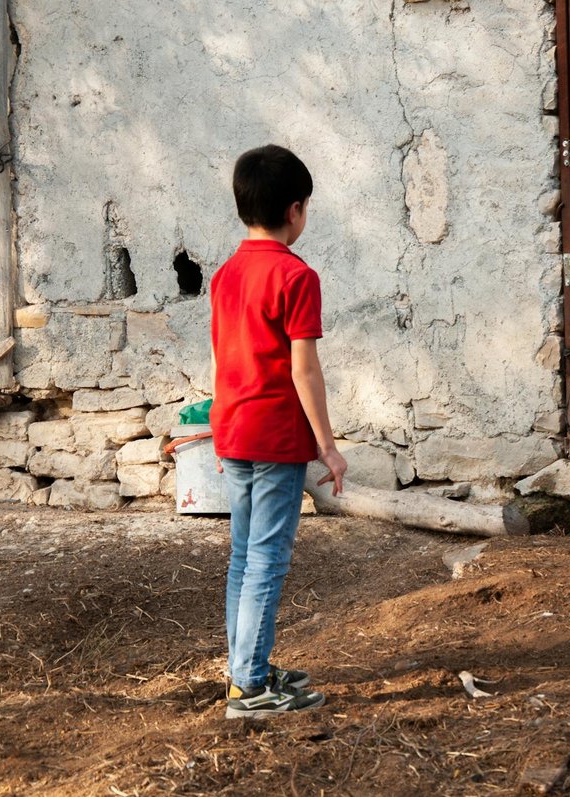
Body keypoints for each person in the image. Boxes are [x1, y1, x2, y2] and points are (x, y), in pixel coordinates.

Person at [209, 144, 348, 718]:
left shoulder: (225, 274)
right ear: (296, 209)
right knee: (267, 560)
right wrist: (329, 445)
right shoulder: (296, 276)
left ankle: (250, 667)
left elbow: (223, 357)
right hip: (274, 439)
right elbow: (303, 368)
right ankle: (249, 688)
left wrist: (221, 433)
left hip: (234, 431)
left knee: (245, 557)